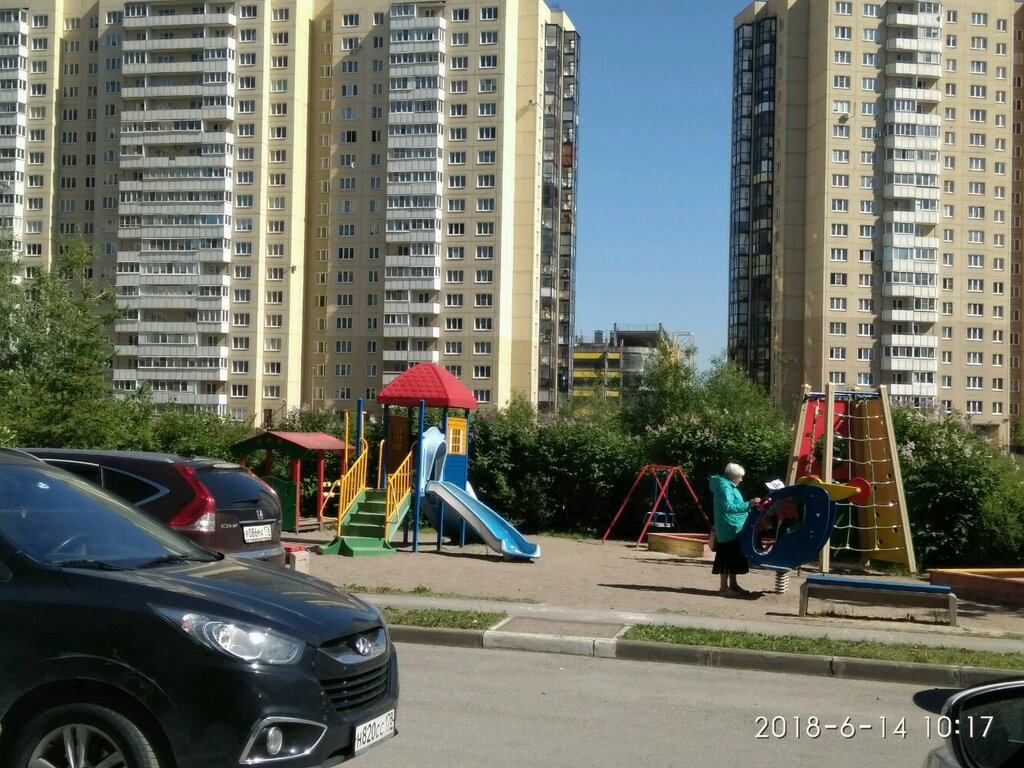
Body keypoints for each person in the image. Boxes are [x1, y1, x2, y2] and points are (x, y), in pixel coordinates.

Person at [710, 462, 761, 596]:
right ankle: (723, 588)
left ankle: (733, 585)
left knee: (734, 557)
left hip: (734, 526)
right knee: (726, 557)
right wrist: (748, 504)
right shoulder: (724, 487)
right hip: (728, 527)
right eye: (739, 477)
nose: (741, 479)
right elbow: (728, 507)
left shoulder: (730, 486)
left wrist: (748, 505)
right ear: (732, 476)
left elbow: (735, 504)